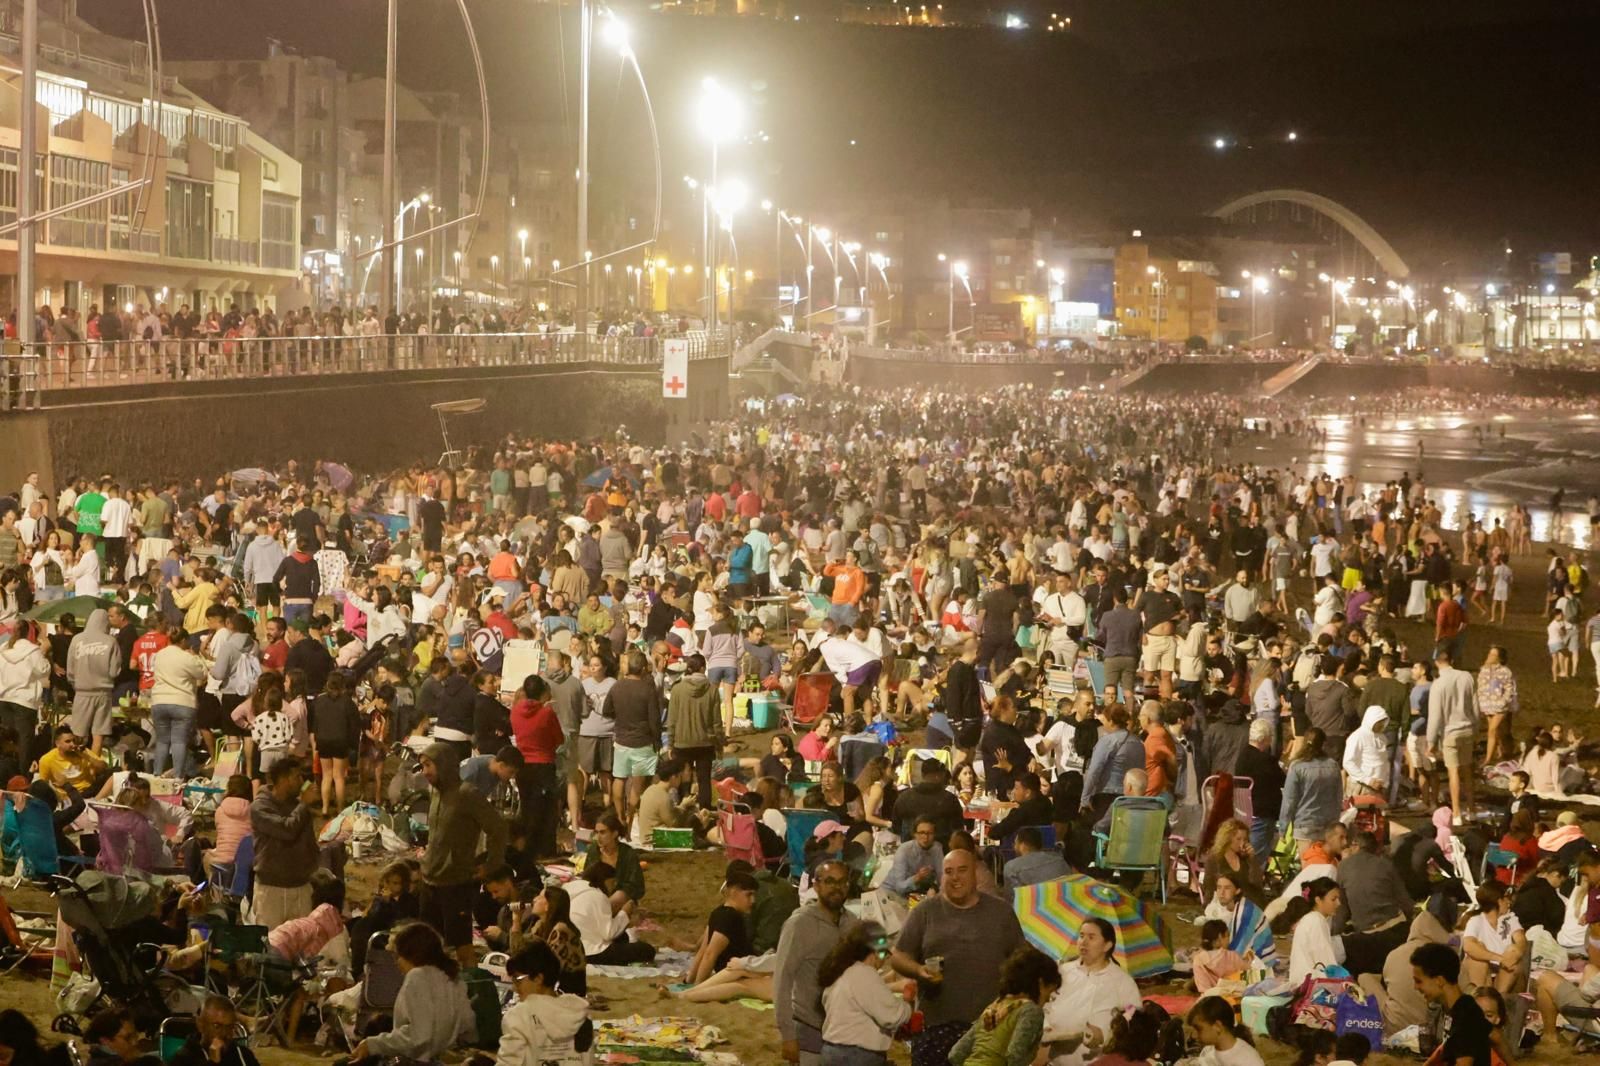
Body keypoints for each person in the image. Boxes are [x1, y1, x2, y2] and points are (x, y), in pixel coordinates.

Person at [888, 848, 1026, 1066]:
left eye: (962, 870)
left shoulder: (1001, 912)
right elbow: (898, 957)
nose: (955, 877)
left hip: (989, 1030)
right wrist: (918, 970)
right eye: (949, 871)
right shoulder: (925, 911)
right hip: (934, 1029)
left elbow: (1022, 961)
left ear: (975, 873)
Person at [418, 741, 508, 966]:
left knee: (462, 947)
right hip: (430, 880)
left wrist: (491, 864)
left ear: (444, 765)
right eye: (422, 766)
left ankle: (471, 993)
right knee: (429, 945)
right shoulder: (436, 792)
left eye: (429, 765)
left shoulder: (467, 794)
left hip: (456, 883)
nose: (425, 772)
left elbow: (498, 828)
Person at [350, 922, 476, 1063]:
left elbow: (419, 1035)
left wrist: (373, 1044)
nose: (397, 962)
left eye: (398, 956)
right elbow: (467, 1024)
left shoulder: (418, 977)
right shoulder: (452, 977)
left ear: (412, 954)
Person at [777, 859, 860, 1065]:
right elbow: (782, 980)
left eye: (842, 882)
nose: (837, 888)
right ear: (816, 885)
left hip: (845, 1032)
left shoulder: (852, 923)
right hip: (809, 1028)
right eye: (830, 881)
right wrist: (787, 1035)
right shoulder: (799, 924)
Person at [1040, 915, 1140, 1065]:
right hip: (1057, 1060)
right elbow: (1043, 1003)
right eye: (1081, 936)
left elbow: (1132, 1016)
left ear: (1107, 946)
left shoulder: (1122, 981)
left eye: (1091, 937)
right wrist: (1046, 1027)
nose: (1083, 942)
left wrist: (1104, 1035)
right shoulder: (1062, 972)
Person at [818, 921, 912, 1065]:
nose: (885, 957)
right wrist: (907, 1003)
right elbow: (893, 1016)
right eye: (884, 952)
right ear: (874, 951)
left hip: (832, 1052)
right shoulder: (864, 973)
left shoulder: (841, 971)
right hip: (856, 1056)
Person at [949, 946, 1062, 1066]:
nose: (1049, 999)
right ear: (1040, 983)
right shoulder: (1031, 1011)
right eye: (1049, 991)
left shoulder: (995, 1006)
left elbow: (955, 1054)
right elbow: (1015, 1056)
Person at [248, 755, 320, 931]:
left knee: (302, 946)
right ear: (284, 780)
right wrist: (303, 805)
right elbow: (286, 830)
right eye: (297, 777)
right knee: (271, 946)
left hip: (300, 886)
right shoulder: (260, 807)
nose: (302, 782)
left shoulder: (298, 808)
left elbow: (309, 841)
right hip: (271, 889)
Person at [497, 941, 593, 1066]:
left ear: (538, 979)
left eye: (517, 980)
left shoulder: (519, 1017)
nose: (515, 988)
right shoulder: (580, 1012)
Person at [1410, 941, 1493, 1066]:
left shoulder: (1465, 1016)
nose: (1415, 987)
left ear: (1439, 981)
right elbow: (1495, 1035)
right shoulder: (1459, 1006)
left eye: (1419, 981)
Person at [564, 860, 655, 964]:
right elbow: (609, 933)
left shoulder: (572, 888)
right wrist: (625, 912)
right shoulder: (597, 896)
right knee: (647, 950)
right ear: (605, 880)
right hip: (589, 953)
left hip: (569, 950)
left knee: (623, 937)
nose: (612, 887)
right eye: (612, 883)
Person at [1426, 646, 1478, 824]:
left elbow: (1435, 717)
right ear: (1452, 660)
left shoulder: (1438, 685)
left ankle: (1456, 813)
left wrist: (1431, 741)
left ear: (1436, 662)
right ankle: (1471, 810)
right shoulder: (1467, 677)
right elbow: (1475, 706)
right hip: (1468, 728)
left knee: (1453, 772)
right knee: (1468, 770)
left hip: (1450, 732)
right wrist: (1476, 727)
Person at [684, 870, 759, 987]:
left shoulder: (717, 912)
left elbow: (703, 949)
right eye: (748, 895)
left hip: (729, 973)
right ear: (734, 892)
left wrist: (689, 980)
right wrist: (697, 988)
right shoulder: (731, 917)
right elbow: (710, 953)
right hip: (738, 974)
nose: (753, 900)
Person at [67, 607, 121, 753]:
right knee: (98, 735)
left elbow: (70, 670)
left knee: (77, 735)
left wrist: (75, 683)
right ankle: (94, 769)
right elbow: (114, 671)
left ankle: (76, 767)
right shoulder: (111, 641)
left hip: (82, 692)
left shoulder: (76, 640)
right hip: (103, 693)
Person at [1278, 728, 1342, 849]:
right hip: (1328, 825)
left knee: (1308, 865)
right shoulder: (1333, 765)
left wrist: (1283, 828)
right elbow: (1338, 797)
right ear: (1323, 744)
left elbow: (1289, 801)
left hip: (1305, 824)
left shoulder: (1297, 766)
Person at [1462, 880, 1526, 996]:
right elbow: (1468, 946)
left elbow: (1520, 940)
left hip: (1503, 973)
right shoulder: (1476, 920)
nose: (1509, 902)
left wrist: (1513, 954)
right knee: (1477, 957)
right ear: (1499, 901)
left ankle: (1497, 1000)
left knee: (1513, 950)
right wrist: (1500, 959)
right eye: (1506, 898)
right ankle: (1480, 1000)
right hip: (1481, 973)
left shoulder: (1509, 919)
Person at [168, 995, 262, 1066]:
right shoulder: (183, 1059)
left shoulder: (243, 1054)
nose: (224, 1033)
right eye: (217, 1026)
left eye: (229, 1027)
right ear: (200, 1025)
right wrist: (213, 1063)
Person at [1288, 877, 1345, 985]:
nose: (1338, 903)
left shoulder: (1312, 919)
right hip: (1311, 986)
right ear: (1318, 900)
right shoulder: (1316, 921)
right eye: (1333, 899)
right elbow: (1326, 963)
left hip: (1304, 983)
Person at [1184, 997, 1263, 1066]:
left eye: (1198, 1029)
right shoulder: (1209, 1050)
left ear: (1217, 1026)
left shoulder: (1247, 1060)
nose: (1194, 1035)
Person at [882, 817, 944, 897]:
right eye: (922, 833)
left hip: (917, 894)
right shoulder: (904, 850)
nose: (926, 837)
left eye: (930, 833)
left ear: (934, 834)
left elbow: (941, 878)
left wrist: (935, 888)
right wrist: (917, 877)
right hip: (891, 893)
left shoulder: (937, 848)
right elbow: (899, 887)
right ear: (915, 834)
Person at [1003, 826, 1071, 894]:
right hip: (1060, 902)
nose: (1014, 847)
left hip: (1031, 903)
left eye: (1015, 843)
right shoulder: (1059, 861)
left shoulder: (1011, 868)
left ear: (1023, 845)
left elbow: (1013, 898)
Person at [1191, 919, 1248, 993]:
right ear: (1220, 936)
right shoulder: (1232, 956)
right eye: (1227, 935)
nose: (1229, 940)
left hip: (1210, 1000)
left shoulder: (1198, 960)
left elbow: (1203, 988)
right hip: (1233, 998)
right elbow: (1248, 976)